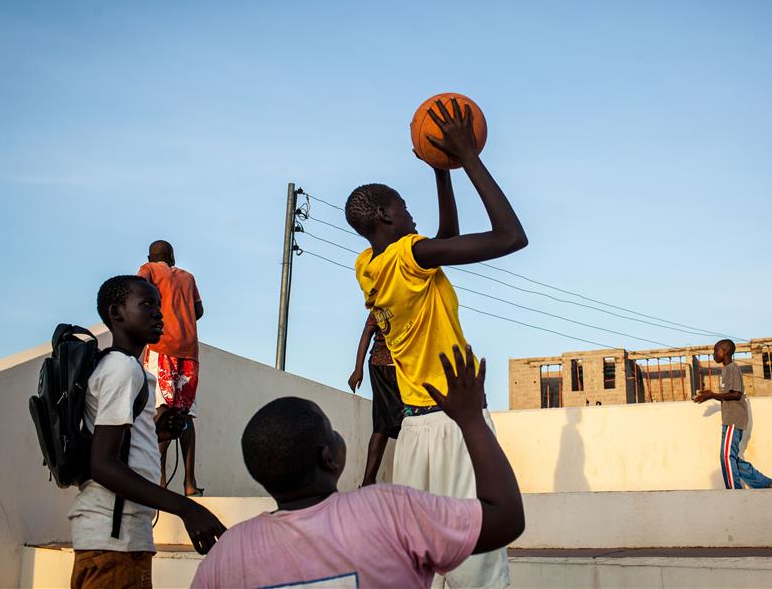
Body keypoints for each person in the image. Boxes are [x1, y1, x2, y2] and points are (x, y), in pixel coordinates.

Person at [344, 98, 527, 588]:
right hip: (455, 422)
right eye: (403, 207)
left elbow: (442, 238)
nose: (411, 214)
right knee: (477, 572)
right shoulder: (410, 257)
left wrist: (439, 171)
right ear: (384, 213)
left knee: (420, 574)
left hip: (414, 432)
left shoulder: (369, 266)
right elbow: (511, 236)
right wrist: (468, 156)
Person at [191, 345, 524, 589]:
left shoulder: (226, 556)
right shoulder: (389, 511)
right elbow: (506, 518)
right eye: (332, 430)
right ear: (329, 459)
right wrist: (472, 421)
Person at [69, 275, 225, 589]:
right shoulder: (122, 370)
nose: (159, 313)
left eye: (159, 304)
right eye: (147, 304)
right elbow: (103, 464)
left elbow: (117, 450)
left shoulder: (119, 366)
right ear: (116, 314)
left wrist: (155, 434)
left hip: (110, 541)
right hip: (116, 544)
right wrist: (186, 508)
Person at [137, 240, 205, 496]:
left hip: (162, 347)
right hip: (189, 352)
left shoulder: (149, 269)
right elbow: (199, 310)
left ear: (151, 257)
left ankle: (160, 482)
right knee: (186, 415)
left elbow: (138, 293)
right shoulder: (188, 277)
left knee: (162, 412)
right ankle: (189, 483)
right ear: (173, 257)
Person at [693, 339, 772, 490]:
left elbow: (736, 394)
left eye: (716, 351)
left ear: (725, 351)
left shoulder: (732, 368)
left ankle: (734, 491)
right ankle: (767, 483)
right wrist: (713, 395)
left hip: (734, 419)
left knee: (727, 457)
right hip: (730, 420)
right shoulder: (726, 370)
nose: (714, 354)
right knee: (732, 458)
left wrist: (712, 395)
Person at [348, 312, 403, 486]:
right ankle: (369, 481)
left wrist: (359, 369)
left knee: (382, 425)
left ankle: (368, 481)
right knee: (404, 421)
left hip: (390, 366)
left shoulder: (397, 299)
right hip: (389, 367)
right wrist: (357, 369)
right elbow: (367, 332)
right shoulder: (388, 301)